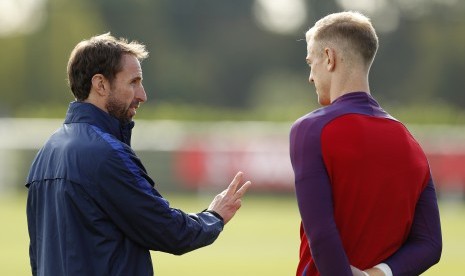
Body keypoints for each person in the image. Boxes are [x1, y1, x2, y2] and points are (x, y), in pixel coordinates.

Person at [25, 33, 251, 276]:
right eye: (133, 82)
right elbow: (169, 230)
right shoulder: (105, 155)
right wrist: (213, 217)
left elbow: (38, 254)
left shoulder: (46, 153)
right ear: (100, 84)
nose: (142, 95)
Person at [289, 11, 442, 276]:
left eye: (310, 62)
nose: (310, 77)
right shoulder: (409, 141)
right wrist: (377, 274)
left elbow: (322, 234)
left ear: (329, 58)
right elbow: (429, 244)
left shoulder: (310, 130)